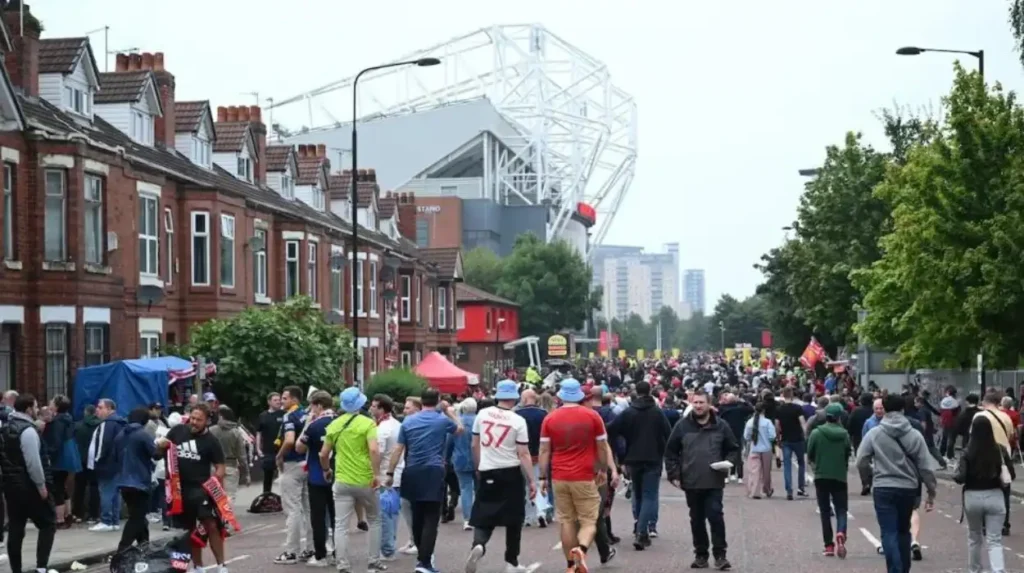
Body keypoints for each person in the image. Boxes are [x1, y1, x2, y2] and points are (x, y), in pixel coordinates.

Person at [856, 395, 937, 573]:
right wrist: (931, 492)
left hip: (883, 487)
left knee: (888, 531)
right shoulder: (915, 435)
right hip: (908, 488)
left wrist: (869, 477)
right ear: (903, 409)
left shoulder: (874, 434)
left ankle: (895, 569)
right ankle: (904, 568)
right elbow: (926, 467)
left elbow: (861, 460)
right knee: (903, 530)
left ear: (884, 409)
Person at [386, 388, 463, 573]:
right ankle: (424, 562)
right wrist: (451, 413)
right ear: (437, 400)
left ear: (421, 400)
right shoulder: (442, 420)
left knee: (417, 516)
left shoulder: (408, 421)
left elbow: (398, 449)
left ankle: (422, 556)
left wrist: (390, 472)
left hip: (412, 470)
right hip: (433, 470)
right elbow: (460, 430)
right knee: (431, 517)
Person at [538, 379, 611, 573]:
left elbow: (544, 450)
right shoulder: (593, 416)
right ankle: (582, 549)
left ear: (560, 396)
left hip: (559, 475)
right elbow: (602, 446)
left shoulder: (550, 418)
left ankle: (571, 565)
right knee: (589, 521)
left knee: (566, 521)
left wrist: (542, 477)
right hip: (585, 474)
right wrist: (602, 469)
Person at [464, 380, 536, 573]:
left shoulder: (482, 414)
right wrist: (532, 480)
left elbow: (474, 444)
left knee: (484, 512)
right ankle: (512, 561)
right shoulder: (518, 420)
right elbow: (523, 453)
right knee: (514, 518)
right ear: (515, 397)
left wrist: (479, 466)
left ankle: (479, 545)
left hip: (487, 469)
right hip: (510, 471)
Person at [665, 389, 739, 571]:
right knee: (696, 519)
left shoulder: (721, 426)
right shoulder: (682, 426)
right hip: (691, 481)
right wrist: (674, 474)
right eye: (695, 403)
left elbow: (733, 448)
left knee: (715, 516)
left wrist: (729, 463)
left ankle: (720, 555)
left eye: (701, 402)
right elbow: (671, 452)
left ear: (709, 404)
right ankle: (700, 554)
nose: (698, 406)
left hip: (714, 481)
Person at [155, 402, 228, 573]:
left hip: (201, 490)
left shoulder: (211, 441)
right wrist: (160, 445)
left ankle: (221, 566)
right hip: (179, 491)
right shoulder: (177, 431)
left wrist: (215, 482)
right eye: (192, 418)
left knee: (211, 526)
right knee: (189, 530)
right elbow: (157, 454)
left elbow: (220, 467)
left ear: (207, 421)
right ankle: (198, 567)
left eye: (198, 420)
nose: (194, 422)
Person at [320, 388, 386, 573]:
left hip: (342, 479)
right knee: (374, 520)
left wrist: (326, 469)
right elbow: (373, 450)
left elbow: (324, 454)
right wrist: (376, 474)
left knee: (340, 524)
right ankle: (373, 562)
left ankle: (342, 564)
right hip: (365, 479)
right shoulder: (368, 423)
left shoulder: (334, 424)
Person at [606, 380, 670, 550]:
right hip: (653, 458)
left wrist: (621, 450)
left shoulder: (628, 412)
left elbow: (611, 429)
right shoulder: (657, 412)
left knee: (638, 493)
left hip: (633, 457)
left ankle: (639, 525)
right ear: (650, 391)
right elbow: (668, 433)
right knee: (650, 495)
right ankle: (642, 531)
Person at [1, 393, 56, 573]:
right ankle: (41, 567)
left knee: (16, 528)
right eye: (35, 406)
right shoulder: (28, 431)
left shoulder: (4, 429)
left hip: (11, 486)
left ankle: (16, 569)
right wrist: (41, 486)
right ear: (28, 409)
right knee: (48, 523)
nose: (37, 409)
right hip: (30, 486)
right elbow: (33, 463)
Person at [954, 416, 1009, 573]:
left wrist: (955, 472)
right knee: (994, 539)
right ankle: (998, 570)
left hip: (972, 497)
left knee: (974, 537)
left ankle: (975, 569)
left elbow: (960, 478)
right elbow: (1010, 474)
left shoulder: (967, 452)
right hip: (995, 495)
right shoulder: (999, 450)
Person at [295, 391, 337, 566]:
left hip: (317, 476)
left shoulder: (314, 425)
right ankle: (339, 553)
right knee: (337, 517)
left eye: (312, 406)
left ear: (319, 405)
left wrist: (307, 424)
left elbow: (299, 448)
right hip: (339, 474)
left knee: (318, 517)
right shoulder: (340, 422)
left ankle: (320, 555)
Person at [807, 404, 853, 558]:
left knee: (825, 511)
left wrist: (816, 464)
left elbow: (810, 452)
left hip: (821, 475)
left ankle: (828, 545)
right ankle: (841, 531)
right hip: (839, 475)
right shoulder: (844, 434)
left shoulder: (816, 433)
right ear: (839, 418)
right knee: (841, 509)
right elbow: (847, 452)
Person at [275, 385, 313, 564]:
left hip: (292, 464)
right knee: (308, 508)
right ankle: (311, 548)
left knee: (292, 509)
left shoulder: (289, 416)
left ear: (294, 399)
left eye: (285, 398)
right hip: (307, 463)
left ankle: (291, 551)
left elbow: (289, 440)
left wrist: (279, 455)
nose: (282, 401)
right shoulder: (306, 414)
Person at [114, 407, 156, 552]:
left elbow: (115, 457)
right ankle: (122, 549)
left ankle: (144, 547)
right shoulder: (143, 434)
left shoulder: (120, 435)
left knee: (139, 516)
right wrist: (163, 447)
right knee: (136, 518)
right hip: (140, 482)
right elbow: (155, 454)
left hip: (123, 481)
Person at [975, 390, 1016, 536]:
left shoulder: (979, 416)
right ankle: (1004, 524)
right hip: (1004, 458)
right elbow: (1011, 435)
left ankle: (985, 524)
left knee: (984, 492)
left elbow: (973, 438)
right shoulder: (1006, 417)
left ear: (984, 401)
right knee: (1004, 492)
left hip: (984, 459)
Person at [370, 394, 401, 561]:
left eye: (374, 406)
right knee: (392, 511)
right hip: (396, 472)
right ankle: (390, 545)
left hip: (384, 474)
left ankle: (387, 549)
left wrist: (373, 472)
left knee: (385, 513)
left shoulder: (382, 428)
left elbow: (378, 453)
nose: (371, 408)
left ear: (382, 409)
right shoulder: (396, 424)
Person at [88, 399, 126, 532]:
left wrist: (97, 460)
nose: (97, 410)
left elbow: (103, 444)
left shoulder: (107, 424)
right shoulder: (120, 423)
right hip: (117, 464)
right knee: (115, 493)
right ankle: (114, 521)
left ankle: (106, 520)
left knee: (106, 492)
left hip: (106, 464)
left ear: (109, 409)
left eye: (100, 407)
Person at [515, 389, 550, 527]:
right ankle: (541, 512)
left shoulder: (517, 414)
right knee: (540, 482)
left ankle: (528, 516)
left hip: (522, 454)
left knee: (526, 485)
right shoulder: (544, 414)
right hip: (540, 453)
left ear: (524, 399)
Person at [43, 394, 78, 529]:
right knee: (62, 487)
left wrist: (49, 454)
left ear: (57, 406)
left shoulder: (57, 421)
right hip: (68, 457)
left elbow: (55, 441)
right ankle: (68, 515)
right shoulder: (68, 418)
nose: (50, 403)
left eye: (52, 402)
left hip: (58, 458)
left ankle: (60, 519)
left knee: (57, 487)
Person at [209, 406, 249, 503]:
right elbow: (242, 455)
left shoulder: (211, 431)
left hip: (214, 467)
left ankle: (216, 512)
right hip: (231, 466)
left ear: (221, 416)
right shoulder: (236, 432)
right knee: (229, 496)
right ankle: (227, 512)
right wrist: (246, 473)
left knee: (215, 496)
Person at [774, 387, 807, 500]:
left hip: (786, 439)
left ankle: (789, 490)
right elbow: (802, 423)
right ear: (792, 395)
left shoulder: (779, 409)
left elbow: (777, 425)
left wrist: (778, 438)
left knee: (787, 465)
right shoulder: (798, 408)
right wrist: (805, 435)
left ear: (783, 395)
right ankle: (801, 487)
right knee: (801, 462)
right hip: (798, 438)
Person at [451, 398, 478, 531]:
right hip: (479, 458)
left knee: (465, 488)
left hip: (460, 458)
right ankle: (480, 516)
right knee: (479, 488)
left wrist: (446, 457)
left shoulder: (457, 422)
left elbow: (449, 441)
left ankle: (468, 519)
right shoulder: (480, 421)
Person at [73, 404, 102, 524]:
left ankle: (77, 514)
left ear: (85, 412)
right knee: (95, 487)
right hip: (95, 460)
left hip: (80, 460)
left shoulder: (77, 425)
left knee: (79, 487)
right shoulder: (101, 426)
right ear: (95, 412)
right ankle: (94, 515)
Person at [742, 401, 776, 499]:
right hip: (766, 449)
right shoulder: (768, 422)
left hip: (754, 448)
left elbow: (746, 437)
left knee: (754, 471)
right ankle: (767, 489)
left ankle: (754, 491)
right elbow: (772, 436)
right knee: (766, 472)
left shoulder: (750, 422)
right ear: (764, 410)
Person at [256, 393, 285, 494]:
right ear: (269, 402)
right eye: (275, 400)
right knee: (268, 476)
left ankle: (283, 498)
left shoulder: (284, 414)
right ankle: (266, 496)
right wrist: (258, 448)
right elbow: (259, 433)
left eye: (279, 400)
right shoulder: (263, 416)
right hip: (268, 450)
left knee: (284, 476)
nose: (278, 402)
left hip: (282, 450)